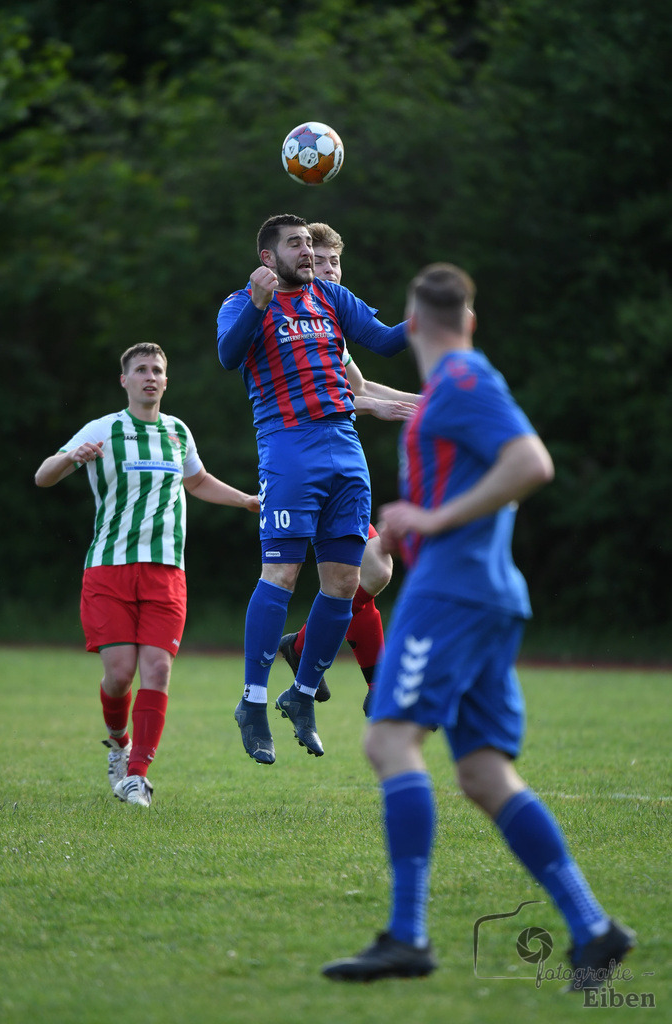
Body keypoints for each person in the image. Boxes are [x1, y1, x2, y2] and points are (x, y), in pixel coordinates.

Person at [321, 264, 635, 986]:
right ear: (467, 318)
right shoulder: (449, 388)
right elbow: (477, 474)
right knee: (483, 774)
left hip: (453, 597)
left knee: (387, 739)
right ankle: (594, 928)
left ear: (412, 318)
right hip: (481, 593)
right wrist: (409, 528)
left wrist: (432, 520)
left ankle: (407, 936)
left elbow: (529, 462)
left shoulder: (462, 380)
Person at [217, 213, 407, 764]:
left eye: (309, 243)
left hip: (345, 450)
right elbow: (229, 356)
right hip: (289, 450)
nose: (306, 252)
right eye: (294, 244)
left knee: (347, 581)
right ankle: (251, 703)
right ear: (266, 257)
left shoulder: (331, 297)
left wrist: (433, 319)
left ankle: (301, 696)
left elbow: (387, 343)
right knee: (281, 572)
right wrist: (256, 303)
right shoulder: (242, 302)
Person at [35, 343, 259, 807]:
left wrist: (245, 500)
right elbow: (43, 476)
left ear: (165, 380)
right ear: (125, 380)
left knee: (157, 669)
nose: (150, 377)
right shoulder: (104, 428)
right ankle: (119, 745)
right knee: (119, 675)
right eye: (141, 370)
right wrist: (71, 458)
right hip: (108, 570)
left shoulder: (178, 432)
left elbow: (196, 481)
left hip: (166, 573)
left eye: (157, 370)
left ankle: (137, 775)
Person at [278, 222, 420, 714]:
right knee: (369, 569)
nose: (330, 271)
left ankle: (303, 649)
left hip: (340, 463)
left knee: (371, 571)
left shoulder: (333, 327)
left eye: (336, 262)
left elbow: (361, 386)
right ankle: (377, 686)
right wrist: (369, 406)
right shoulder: (295, 323)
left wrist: (423, 402)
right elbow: (332, 400)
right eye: (320, 263)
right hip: (305, 464)